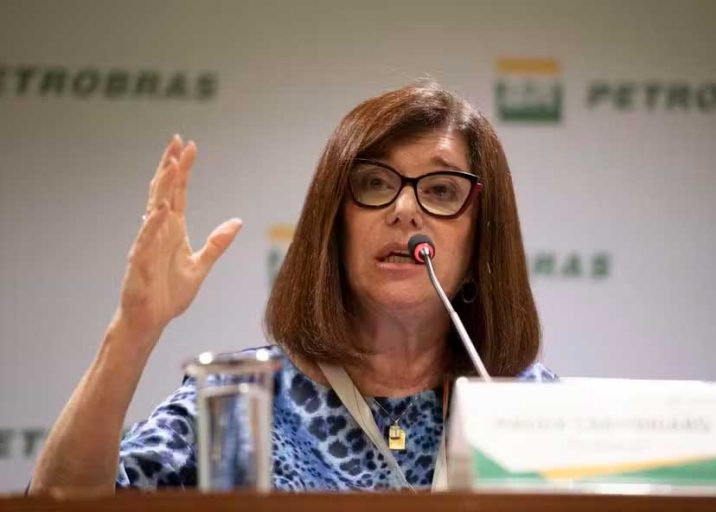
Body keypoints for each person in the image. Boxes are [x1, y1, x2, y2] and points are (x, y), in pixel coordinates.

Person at [29, 81, 554, 495]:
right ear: (335, 225)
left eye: (440, 190)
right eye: (375, 183)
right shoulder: (243, 398)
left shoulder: (527, 408)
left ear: (482, 238)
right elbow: (61, 500)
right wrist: (134, 328)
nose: (403, 209)